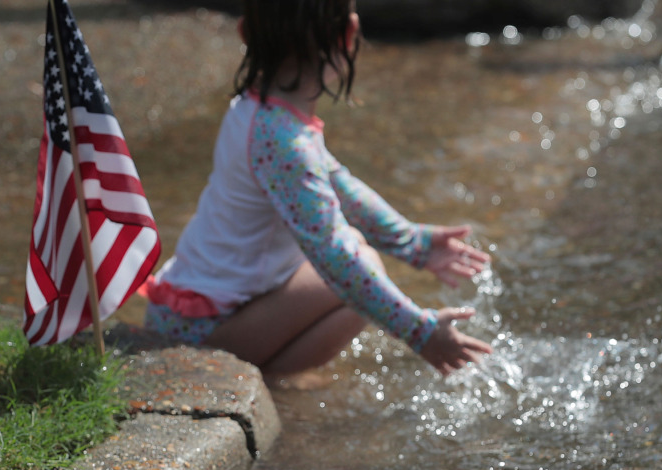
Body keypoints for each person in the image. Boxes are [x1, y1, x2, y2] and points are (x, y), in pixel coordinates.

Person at [141, 0, 494, 378]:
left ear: (245, 33)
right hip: (201, 335)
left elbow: (341, 187)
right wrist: (419, 331)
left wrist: (414, 243)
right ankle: (266, 384)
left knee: (357, 261)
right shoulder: (282, 141)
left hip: (188, 313)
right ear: (348, 34)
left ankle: (266, 380)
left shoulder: (257, 109)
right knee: (359, 265)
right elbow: (333, 255)